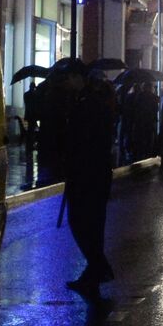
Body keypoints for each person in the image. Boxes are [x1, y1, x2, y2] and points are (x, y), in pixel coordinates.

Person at [57, 61, 117, 300]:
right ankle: (96, 270)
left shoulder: (88, 104)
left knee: (83, 222)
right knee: (88, 224)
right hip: (91, 173)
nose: (65, 84)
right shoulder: (88, 101)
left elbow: (84, 141)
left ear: (77, 78)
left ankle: (98, 268)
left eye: (68, 79)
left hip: (88, 174)